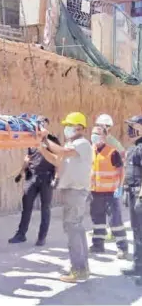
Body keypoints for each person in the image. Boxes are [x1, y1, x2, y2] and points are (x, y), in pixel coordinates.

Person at [44, 112, 92, 283]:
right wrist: (41, 147)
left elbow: (63, 151)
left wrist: (44, 138)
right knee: (76, 229)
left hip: (76, 191)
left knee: (73, 229)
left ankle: (79, 270)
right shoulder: (72, 145)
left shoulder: (82, 144)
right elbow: (57, 159)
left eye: (69, 125)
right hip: (72, 192)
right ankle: (82, 268)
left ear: (79, 127)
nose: (66, 128)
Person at [9, 117, 61, 246]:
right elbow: (28, 159)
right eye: (39, 124)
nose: (41, 127)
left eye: (43, 124)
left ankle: (41, 238)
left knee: (45, 208)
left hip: (47, 178)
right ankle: (21, 235)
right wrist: (21, 173)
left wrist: (56, 178)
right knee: (26, 207)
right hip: (31, 176)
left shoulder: (53, 141)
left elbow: (59, 160)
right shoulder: (31, 140)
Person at [89, 125, 128, 258]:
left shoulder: (112, 152)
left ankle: (122, 247)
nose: (94, 136)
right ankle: (98, 245)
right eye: (93, 133)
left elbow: (121, 171)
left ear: (105, 137)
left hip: (111, 192)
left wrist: (120, 188)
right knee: (97, 219)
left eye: (98, 134)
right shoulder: (90, 151)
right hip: (95, 192)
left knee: (115, 221)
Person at [122, 115, 142, 286]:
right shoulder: (135, 147)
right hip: (133, 192)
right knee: (136, 232)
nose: (130, 129)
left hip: (140, 194)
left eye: (133, 125)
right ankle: (138, 266)